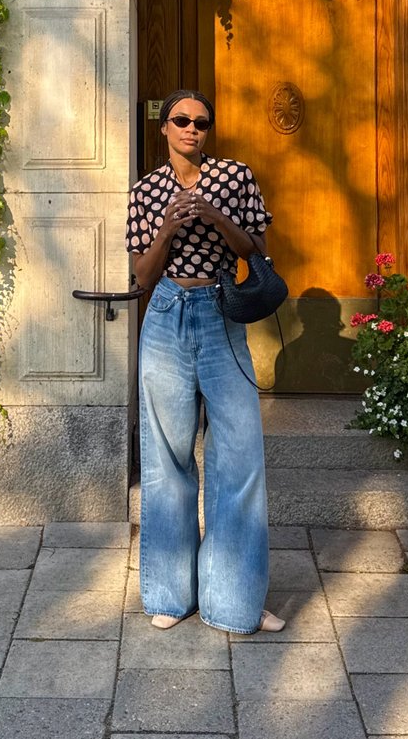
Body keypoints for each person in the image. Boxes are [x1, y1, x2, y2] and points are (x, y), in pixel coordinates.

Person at [126, 89, 285, 634]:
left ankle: (235, 601)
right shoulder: (146, 190)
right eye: (181, 120)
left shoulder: (234, 177)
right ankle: (171, 595)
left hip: (221, 315)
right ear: (165, 128)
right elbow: (142, 277)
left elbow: (256, 251)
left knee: (239, 457)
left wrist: (215, 216)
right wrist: (168, 228)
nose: (192, 128)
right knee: (167, 460)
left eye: (201, 122)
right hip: (167, 315)